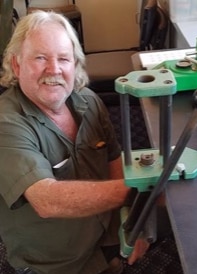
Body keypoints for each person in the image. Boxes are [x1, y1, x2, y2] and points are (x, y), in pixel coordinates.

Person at [0, 10, 151, 274]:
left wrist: (133, 222)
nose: (54, 69)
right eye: (40, 58)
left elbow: (113, 159)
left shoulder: (87, 100)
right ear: (16, 65)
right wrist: (143, 192)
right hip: (56, 264)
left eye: (64, 59)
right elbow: (47, 200)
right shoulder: (6, 123)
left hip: (105, 240)